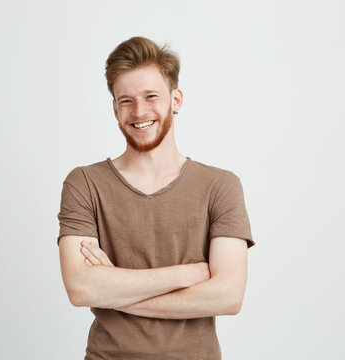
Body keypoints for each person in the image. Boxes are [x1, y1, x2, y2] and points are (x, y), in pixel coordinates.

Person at [57, 36, 255, 360]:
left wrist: (115, 289)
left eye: (151, 96)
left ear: (175, 99)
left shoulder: (221, 186)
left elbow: (228, 295)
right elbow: (81, 289)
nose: (139, 111)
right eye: (126, 101)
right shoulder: (84, 184)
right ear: (114, 108)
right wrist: (186, 273)